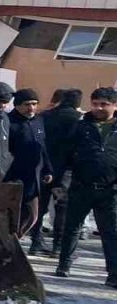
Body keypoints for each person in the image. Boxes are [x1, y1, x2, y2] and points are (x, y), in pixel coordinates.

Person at [55, 87, 117, 285]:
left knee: (110, 232)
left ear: (114, 105)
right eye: (96, 103)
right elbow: (65, 154)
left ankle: (114, 273)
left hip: (110, 189)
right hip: (82, 185)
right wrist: (58, 181)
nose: (99, 108)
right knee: (72, 227)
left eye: (104, 104)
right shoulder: (82, 126)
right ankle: (64, 265)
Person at [36, 88, 84, 255]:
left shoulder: (44, 116)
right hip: (66, 170)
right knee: (62, 207)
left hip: (43, 167)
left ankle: (35, 242)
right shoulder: (78, 119)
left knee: (40, 205)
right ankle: (58, 246)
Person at [5, 88, 53, 239]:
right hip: (12, 177)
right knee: (11, 215)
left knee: (32, 216)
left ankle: (13, 241)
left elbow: (42, 147)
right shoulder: (8, 122)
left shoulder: (38, 121)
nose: (31, 108)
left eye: (34, 104)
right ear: (17, 105)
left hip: (33, 178)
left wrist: (48, 170)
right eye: (27, 104)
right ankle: (7, 244)